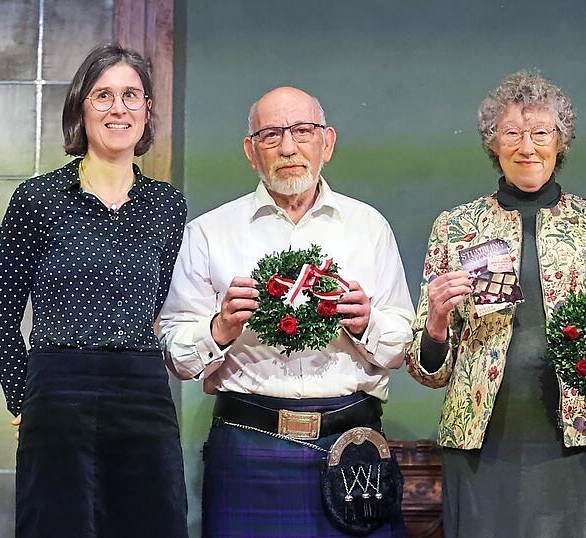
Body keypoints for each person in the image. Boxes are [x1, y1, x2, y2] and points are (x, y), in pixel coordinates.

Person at [159, 86, 414, 537]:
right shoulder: (209, 233)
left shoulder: (369, 227)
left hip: (351, 450)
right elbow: (177, 357)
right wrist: (219, 329)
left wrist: (367, 324)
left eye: (303, 131)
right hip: (248, 447)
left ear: (327, 143)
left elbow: (400, 346)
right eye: (271, 134)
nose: (289, 147)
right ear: (250, 151)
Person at [406, 70, 586, 537]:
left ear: (561, 141)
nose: (527, 147)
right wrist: (436, 322)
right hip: (482, 445)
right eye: (511, 133)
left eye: (540, 132)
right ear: (492, 143)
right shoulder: (455, 227)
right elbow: (427, 370)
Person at [0, 44, 188, 538]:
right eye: (103, 96)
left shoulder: (168, 206)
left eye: (131, 95)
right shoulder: (37, 198)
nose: (119, 108)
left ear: (147, 110)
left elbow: (156, 304)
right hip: (57, 393)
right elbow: (1, 319)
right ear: (80, 108)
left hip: (142, 395)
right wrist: (23, 399)